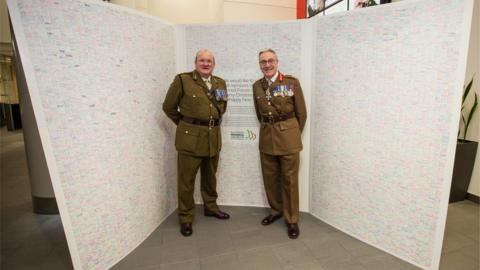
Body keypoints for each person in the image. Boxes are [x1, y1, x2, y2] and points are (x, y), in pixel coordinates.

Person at [163, 49, 230, 237]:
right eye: (202, 60)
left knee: (210, 177)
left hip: (213, 138)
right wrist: (187, 126)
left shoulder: (220, 83)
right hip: (190, 140)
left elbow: (222, 107)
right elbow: (168, 107)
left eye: (209, 61)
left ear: (214, 64)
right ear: (195, 63)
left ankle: (211, 207)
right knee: (186, 181)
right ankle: (185, 217)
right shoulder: (183, 80)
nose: (206, 63)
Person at [252, 49, 307, 239]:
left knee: (289, 180)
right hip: (267, 138)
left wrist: (291, 133)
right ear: (259, 65)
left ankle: (291, 219)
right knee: (270, 178)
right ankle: (276, 211)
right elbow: (260, 115)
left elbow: (302, 113)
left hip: (288, 139)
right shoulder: (257, 86)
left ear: (277, 62)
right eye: (263, 62)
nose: (267, 65)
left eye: (270, 61)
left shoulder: (291, 82)